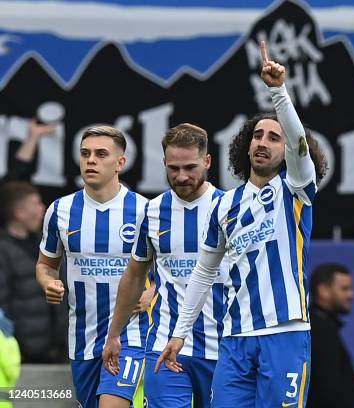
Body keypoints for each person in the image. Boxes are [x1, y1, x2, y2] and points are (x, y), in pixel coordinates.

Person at [155, 41, 327, 408]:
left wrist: (278, 91)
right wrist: (180, 334)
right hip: (233, 338)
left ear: (286, 151)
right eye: (258, 135)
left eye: (274, 137)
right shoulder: (224, 205)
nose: (264, 141)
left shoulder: (294, 191)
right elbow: (203, 273)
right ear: (245, 146)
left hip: (284, 333)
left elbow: (300, 147)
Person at [102, 123, 226, 408]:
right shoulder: (153, 211)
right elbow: (134, 276)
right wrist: (114, 334)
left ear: (207, 162)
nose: (181, 176)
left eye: (190, 167)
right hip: (165, 347)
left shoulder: (228, 207)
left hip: (223, 350)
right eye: (173, 168)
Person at [36, 125, 151, 408]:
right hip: (82, 339)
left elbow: (169, 270)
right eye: (85, 154)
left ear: (120, 163)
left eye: (101, 154)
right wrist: (48, 282)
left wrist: (153, 292)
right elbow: (45, 264)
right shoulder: (60, 211)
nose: (91, 160)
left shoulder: (146, 210)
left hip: (131, 335)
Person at [0, 181, 64, 363]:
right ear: (19, 213)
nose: (42, 209)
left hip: (55, 350)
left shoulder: (45, 244)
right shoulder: (3, 250)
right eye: (36, 204)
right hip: (21, 354)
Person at [307, 263, 354, 408]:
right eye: (345, 289)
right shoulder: (317, 329)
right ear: (323, 290)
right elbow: (327, 387)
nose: (351, 295)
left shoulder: (323, 325)